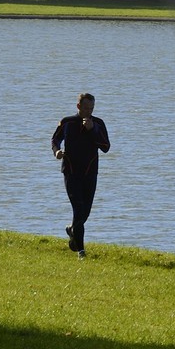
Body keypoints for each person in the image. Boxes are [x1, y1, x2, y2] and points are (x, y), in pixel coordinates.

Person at [51, 92, 110, 258]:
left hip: (90, 172)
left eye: (91, 108)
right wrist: (57, 152)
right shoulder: (67, 122)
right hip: (71, 172)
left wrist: (92, 131)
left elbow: (105, 146)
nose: (88, 111)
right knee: (78, 209)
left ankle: (72, 230)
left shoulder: (98, 124)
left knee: (85, 212)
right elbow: (55, 140)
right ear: (78, 107)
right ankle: (81, 251)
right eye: (85, 108)